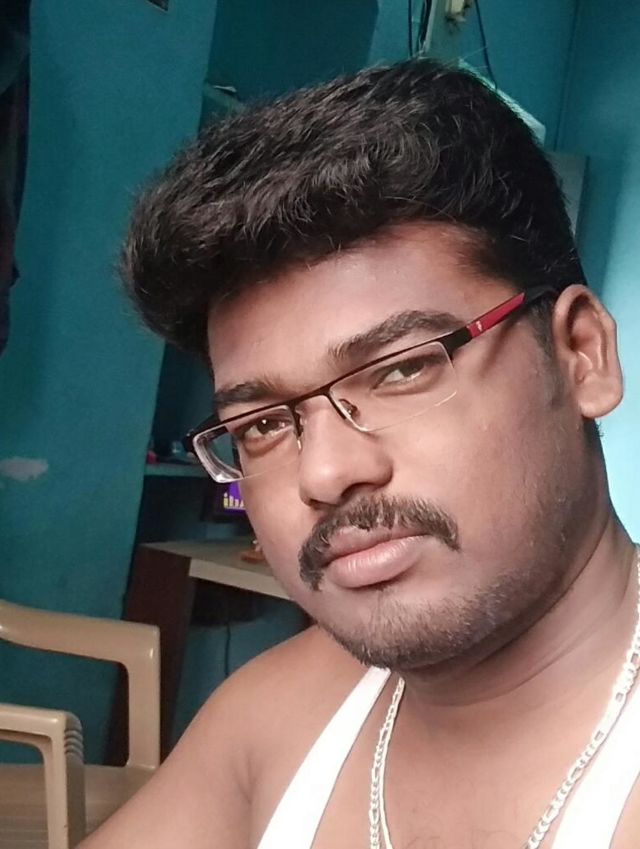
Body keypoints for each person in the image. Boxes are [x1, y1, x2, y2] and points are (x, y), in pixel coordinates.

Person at [83, 59, 639, 848]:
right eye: (263, 424)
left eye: (402, 370)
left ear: (582, 354)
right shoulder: (275, 721)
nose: (324, 472)